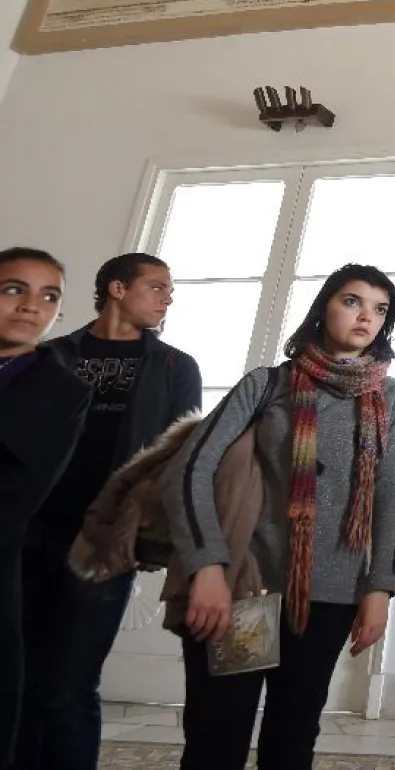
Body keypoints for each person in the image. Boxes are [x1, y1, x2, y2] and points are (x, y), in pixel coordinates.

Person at [153, 263, 395, 770]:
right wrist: (208, 566)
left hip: (331, 595)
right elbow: (189, 469)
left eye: (380, 309)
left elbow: (390, 494)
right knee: (218, 737)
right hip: (249, 589)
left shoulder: (390, 397)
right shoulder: (269, 384)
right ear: (323, 308)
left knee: (291, 740)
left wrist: (379, 588)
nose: (367, 317)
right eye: (352, 301)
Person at [15, 252, 201, 770]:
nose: (168, 298)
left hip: (104, 543)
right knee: (21, 675)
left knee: (72, 683)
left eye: (170, 290)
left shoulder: (175, 367)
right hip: (28, 535)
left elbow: (178, 458)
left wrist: (153, 535)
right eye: (157, 287)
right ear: (117, 289)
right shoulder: (50, 355)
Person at [0, 249, 91, 768]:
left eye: (49, 295)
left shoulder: (61, 390)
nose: (32, 305)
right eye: (14, 289)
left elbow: (16, 493)